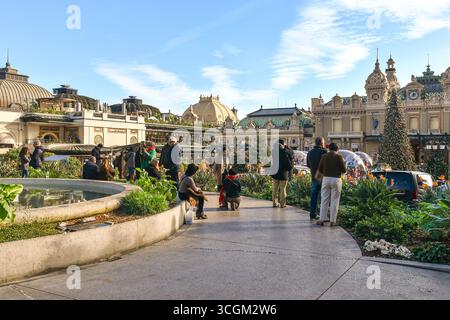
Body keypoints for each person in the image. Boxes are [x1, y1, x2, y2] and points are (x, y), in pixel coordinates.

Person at [316, 143, 347, 227]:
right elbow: (344, 170)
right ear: (337, 149)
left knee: (324, 199)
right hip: (336, 180)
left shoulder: (324, 156)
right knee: (335, 200)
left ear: (329, 149)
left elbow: (320, 168)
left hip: (326, 179)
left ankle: (322, 219)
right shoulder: (339, 157)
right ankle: (332, 221)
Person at [306, 137, 327, 222]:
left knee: (314, 197)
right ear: (322, 143)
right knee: (324, 197)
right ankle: (322, 215)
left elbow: (308, 165)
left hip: (314, 176)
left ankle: (312, 214)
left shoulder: (310, 153)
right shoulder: (324, 152)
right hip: (323, 177)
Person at [271, 139, 293, 208]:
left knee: (275, 188)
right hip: (283, 173)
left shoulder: (274, 151)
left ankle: (274, 203)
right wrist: (286, 147)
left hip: (275, 173)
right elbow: (291, 153)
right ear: (283, 144)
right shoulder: (285, 151)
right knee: (283, 189)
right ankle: (282, 204)